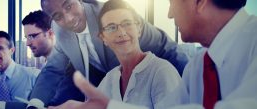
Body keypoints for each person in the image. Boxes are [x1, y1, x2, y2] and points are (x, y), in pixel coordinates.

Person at [49, 0, 257, 109]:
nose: (169, 14)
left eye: (171, 2)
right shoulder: (199, 68)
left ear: (199, 1)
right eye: (111, 28)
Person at [27, 0, 188, 107]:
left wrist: (195, 83)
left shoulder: (113, 15)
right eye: (58, 16)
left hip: (155, 68)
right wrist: (35, 103)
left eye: (69, 6)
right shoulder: (60, 31)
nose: (68, 18)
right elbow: (53, 69)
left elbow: (165, 47)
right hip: (110, 78)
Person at [95, 0, 181, 108]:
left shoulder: (162, 72)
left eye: (127, 24)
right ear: (103, 38)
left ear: (139, 29)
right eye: (112, 27)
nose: (121, 33)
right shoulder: (108, 80)